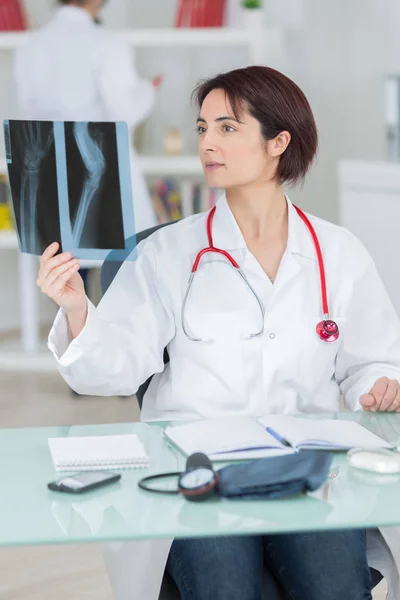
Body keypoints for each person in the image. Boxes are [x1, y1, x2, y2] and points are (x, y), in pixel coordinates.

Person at [37, 66, 400, 599]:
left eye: (227, 128)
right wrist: (76, 310)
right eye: (203, 127)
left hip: (304, 475)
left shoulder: (338, 252)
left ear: (280, 141)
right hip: (197, 474)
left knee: (336, 586)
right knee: (223, 585)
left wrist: (381, 382)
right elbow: (114, 366)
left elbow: (373, 361)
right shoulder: (166, 253)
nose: (208, 142)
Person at [14, 0, 161, 257]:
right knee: (123, 265)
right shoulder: (107, 44)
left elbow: (28, 111)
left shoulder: (28, 47)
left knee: (62, 265)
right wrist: (148, 90)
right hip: (101, 167)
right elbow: (125, 111)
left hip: (49, 170)